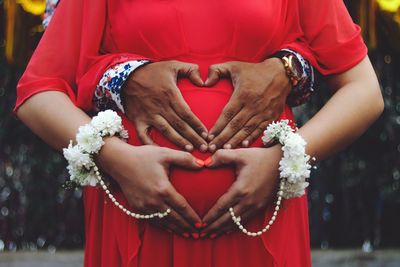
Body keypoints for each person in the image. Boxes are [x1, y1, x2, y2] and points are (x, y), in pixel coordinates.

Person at [14, 0, 384, 266]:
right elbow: (37, 93)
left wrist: (281, 161)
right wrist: (117, 159)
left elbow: (364, 91)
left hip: (260, 222)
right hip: (136, 222)